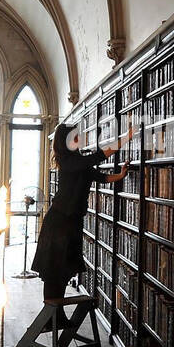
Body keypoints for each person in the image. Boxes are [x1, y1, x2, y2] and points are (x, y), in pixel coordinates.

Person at [32, 122, 132, 300]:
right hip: (59, 223)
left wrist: (120, 175)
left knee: (63, 271)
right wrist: (126, 138)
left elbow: (101, 177)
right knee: (54, 271)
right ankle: (52, 312)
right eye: (75, 136)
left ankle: (56, 311)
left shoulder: (78, 161)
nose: (79, 139)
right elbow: (99, 156)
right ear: (67, 140)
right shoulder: (68, 161)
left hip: (72, 222)